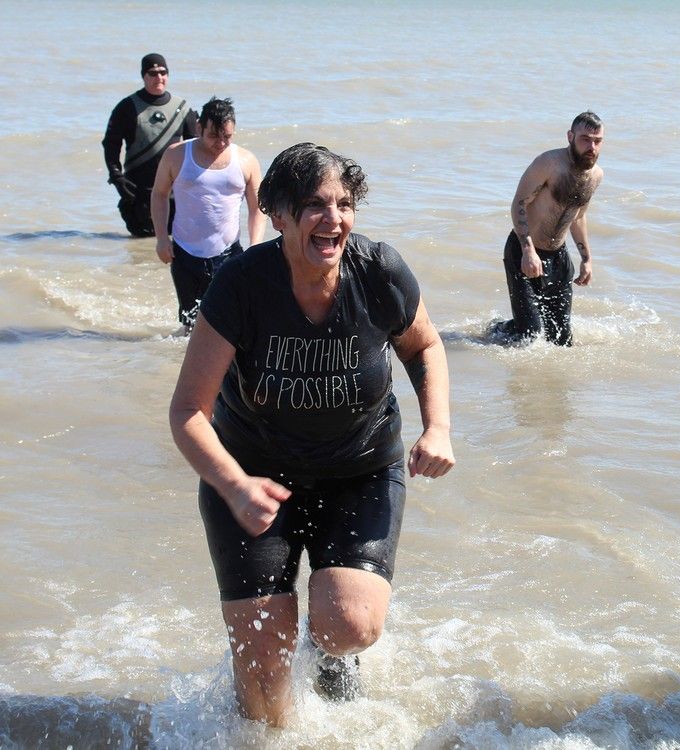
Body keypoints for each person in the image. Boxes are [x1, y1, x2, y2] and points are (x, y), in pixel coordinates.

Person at [169, 142, 455, 727]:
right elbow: (188, 413)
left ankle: (331, 660)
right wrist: (234, 485)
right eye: (316, 206)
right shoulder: (241, 285)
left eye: (345, 204)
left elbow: (424, 345)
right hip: (254, 483)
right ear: (276, 212)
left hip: (360, 472)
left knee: (347, 625)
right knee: (264, 697)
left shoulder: (378, 272)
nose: (334, 220)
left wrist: (438, 428)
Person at [492, 111, 605, 346]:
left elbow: (578, 216)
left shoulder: (595, 176)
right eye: (585, 139)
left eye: (597, 141)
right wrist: (528, 251)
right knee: (530, 335)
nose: (591, 146)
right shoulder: (549, 164)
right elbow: (519, 203)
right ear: (570, 136)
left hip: (559, 258)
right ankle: (495, 331)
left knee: (562, 340)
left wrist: (586, 259)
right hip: (524, 251)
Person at [151, 97, 265, 330]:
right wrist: (162, 238)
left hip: (229, 254)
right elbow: (159, 195)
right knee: (190, 325)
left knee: (233, 322)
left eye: (227, 136)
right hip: (184, 253)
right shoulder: (176, 155)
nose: (221, 143)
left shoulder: (246, 160)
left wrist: (255, 247)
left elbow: (258, 208)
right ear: (199, 127)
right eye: (214, 135)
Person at [102, 53, 198, 237]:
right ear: (143, 76)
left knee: (175, 246)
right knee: (141, 249)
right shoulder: (127, 107)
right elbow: (111, 145)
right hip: (138, 193)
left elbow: (195, 147)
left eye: (163, 72)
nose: (159, 78)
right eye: (153, 73)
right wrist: (117, 177)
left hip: (175, 194)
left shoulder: (182, 108)